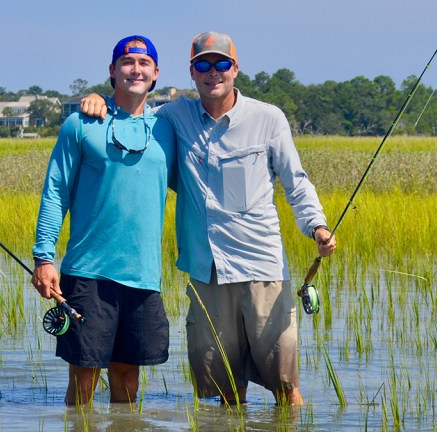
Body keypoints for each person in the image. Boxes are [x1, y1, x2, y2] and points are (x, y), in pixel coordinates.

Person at [79, 31, 336, 406]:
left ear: (235, 68)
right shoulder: (172, 116)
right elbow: (131, 109)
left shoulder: (268, 118)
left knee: (285, 384)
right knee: (226, 391)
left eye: (220, 64)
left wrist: (317, 227)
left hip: (262, 268)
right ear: (191, 72)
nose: (212, 72)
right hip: (206, 273)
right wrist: (98, 100)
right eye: (203, 65)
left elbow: (296, 183)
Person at [32, 35, 177, 407]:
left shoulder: (168, 128)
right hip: (88, 275)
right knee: (83, 379)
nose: (135, 69)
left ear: (156, 74)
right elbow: (55, 192)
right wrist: (43, 258)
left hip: (143, 276)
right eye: (127, 62)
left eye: (144, 64)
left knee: (128, 380)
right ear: (113, 71)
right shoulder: (80, 123)